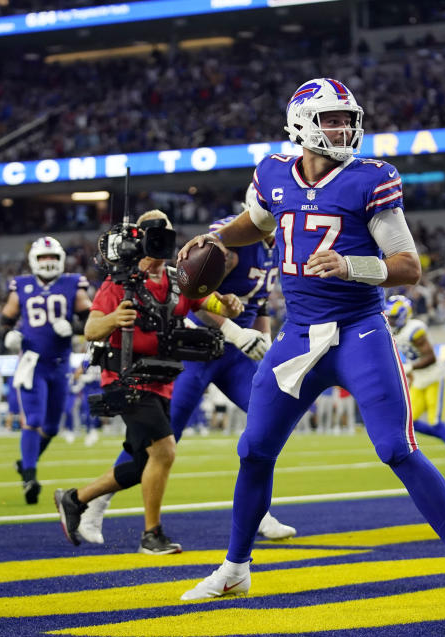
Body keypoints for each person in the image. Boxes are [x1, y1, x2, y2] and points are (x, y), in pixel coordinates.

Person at [177, 79, 445, 607]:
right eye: (331, 119)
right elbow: (253, 223)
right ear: (302, 123)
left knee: (397, 448)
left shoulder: (371, 179)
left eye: (346, 118)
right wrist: (216, 238)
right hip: (298, 334)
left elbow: (408, 267)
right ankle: (236, 568)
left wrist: (352, 266)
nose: (343, 128)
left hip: (359, 331)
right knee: (253, 451)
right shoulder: (273, 174)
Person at [74, 193, 297, 545]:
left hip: (237, 355)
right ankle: (97, 500)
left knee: (267, 420)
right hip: (201, 350)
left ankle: (258, 512)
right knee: (162, 439)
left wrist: (263, 342)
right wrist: (235, 331)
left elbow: (260, 302)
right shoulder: (228, 238)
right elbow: (194, 297)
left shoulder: (282, 242)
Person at [55, 210, 244, 554]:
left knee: (143, 464)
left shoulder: (179, 280)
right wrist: (114, 318)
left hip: (162, 380)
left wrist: (229, 305)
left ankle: (74, 499)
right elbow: (91, 329)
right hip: (126, 378)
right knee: (165, 450)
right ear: (139, 238)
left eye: (168, 235)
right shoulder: (119, 283)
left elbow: (209, 303)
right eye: (157, 235)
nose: (162, 243)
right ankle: (151, 534)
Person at [2, 236, 93, 504]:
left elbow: (90, 318)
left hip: (61, 363)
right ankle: (30, 477)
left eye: (53, 257)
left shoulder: (72, 283)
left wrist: (74, 328)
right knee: (33, 419)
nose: (48, 262)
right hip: (32, 363)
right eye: (43, 258)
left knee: (52, 426)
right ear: (33, 260)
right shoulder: (21, 285)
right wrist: (10, 335)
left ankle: (26, 462)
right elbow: (6, 319)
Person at [386, 294, 445, 472]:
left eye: (392, 317)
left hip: (435, 376)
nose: (390, 320)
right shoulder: (397, 331)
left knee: (436, 422)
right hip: (421, 379)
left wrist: (409, 368)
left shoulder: (415, 329)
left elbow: (430, 357)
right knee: (409, 421)